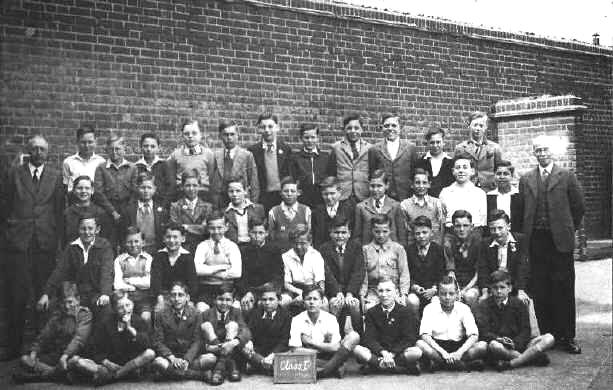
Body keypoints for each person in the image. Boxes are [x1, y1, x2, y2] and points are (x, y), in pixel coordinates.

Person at [519, 135, 584, 354]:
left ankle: (568, 336)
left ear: (552, 151)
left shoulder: (566, 176)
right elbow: (522, 212)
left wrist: (565, 229)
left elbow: (578, 207)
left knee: (563, 288)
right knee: (541, 288)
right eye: (538, 150)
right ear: (534, 153)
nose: (542, 153)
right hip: (536, 240)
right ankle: (548, 335)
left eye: (545, 149)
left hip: (559, 242)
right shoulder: (526, 178)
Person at [0, 135, 64, 359]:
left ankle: (41, 347)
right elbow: (5, 206)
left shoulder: (56, 176)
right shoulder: (14, 174)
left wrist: (56, 241)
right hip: (18, 244)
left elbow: (58, 211)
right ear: (29, 151)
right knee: (16, 296)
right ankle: (13, 348)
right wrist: (10, 233)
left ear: (48, 152)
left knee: (43, 295)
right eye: (34, 149)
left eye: (42, 149)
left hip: (44, 244)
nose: (38, 153)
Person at [13, 283, 92, 384]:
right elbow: (45, 335)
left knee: (76, 362)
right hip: (56, 355)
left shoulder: (84, 314)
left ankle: (37, 377)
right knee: (25, 359)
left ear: (78, 299)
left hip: (73, 355)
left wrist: (65, 356)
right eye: (64, 303)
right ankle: (57, 374)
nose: (67, 306)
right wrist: (34, 352)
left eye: (70, 302)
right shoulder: (59, 314)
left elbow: (79, 339)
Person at [476, 270, 555, 371]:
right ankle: (531, 358)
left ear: (509, 288)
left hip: (518, 344)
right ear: (490, 289)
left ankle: (512, 363)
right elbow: (484, 331)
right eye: (495, 288)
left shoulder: (519, 304)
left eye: (502, 287)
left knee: (549, 338)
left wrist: (515, 343)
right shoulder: (484, 305)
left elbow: (526, 330)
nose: (499, 291)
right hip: (501, 346)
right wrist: (500, 339)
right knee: (494, 346)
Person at [68, 295, 155, 385]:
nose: (125, 310)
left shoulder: (139, 321)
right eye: (121, 307)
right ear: (115, 310)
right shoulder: (106, 322)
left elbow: (147, 344)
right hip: (109, 362)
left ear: (132, 306)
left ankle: (115, 376)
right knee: (78, 362)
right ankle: (116, 374)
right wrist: (106, 362)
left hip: (129, 363)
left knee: (150, 353)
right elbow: (94, 346)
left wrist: (130, 329)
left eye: (128, 305)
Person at [38, 214, 114, 314]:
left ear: (97, 229)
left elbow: (106, 271)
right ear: (78, 229)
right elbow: (59, 271)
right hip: (75, 294)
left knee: (105, 310)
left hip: (97, 293)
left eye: (90, 228)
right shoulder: (71, 247)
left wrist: (105, 293)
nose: (87, 232)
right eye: (83, 229)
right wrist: (46, 294)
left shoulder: (104, 246)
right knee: (49, 307)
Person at [416, 276, 487, 372]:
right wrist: (443, 353)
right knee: (420, 344)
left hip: (459, 346)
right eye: (443, 294)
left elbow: (474, 335)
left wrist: (459, 353)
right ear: (437, 294)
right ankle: (460, 364)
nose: (447, 297)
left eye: (451, 293)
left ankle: (442, 364)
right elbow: (425, 335)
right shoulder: (430, 308)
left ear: (457, 294)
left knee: (482, 346)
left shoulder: (463, 308)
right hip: (438, 348)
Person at [288, 285, 360, 379]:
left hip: (329, 355)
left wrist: (311, 342)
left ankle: (322, 372)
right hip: (309, 357)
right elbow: (295, 349)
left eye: (315, 299)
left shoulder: (330, 318)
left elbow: (335, 347)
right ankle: (335, 366)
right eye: (308, 299)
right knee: (295, 358)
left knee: (354, 336)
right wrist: (322, 349)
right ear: (303, 302)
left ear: (322, 302)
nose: (311, 302)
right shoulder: (297, 320)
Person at [353, 279, 422, 375]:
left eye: (388, 290)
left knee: (417, 352)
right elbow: (369, 339)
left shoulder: (405, 312)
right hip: (379, 353)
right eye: (381, 291)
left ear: (396, 292)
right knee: (357, 350)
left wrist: (392, 354)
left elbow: (409, 338)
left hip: (398, 353)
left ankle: (378, 366)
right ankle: (398, 368)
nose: (384, 295)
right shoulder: (371, 312)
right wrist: (384, 353)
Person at [151, 282, 208, 381]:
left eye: (180, 295)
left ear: (187, 297)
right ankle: (198, 375)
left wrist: (187, 360)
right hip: (170, 356)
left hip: (189, 356)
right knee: (158, 362)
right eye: (173, 295)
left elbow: (197, 341)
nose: (177, 299)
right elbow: (158, 341)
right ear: (169, 297)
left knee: (210, 359)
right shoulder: (160, 314)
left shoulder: (196, 313)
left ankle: (168, 373)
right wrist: (172, 358)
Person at [199, 285, 251, 385]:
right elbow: (199, 337)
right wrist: (214, 347)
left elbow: (245, 330)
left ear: (233, 301)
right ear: (214, 300)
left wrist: (234, 342)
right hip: (213, 348)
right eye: (220, 299)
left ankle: (219, 368)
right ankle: (232, 365)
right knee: (207, 326)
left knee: (232, 325)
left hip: (230, 346)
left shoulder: (236, 312)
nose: (224, 303)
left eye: (228, 300)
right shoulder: (206, 314)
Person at [320, 216, 364, 335]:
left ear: (349, 233)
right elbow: (327, 273)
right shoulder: (324, 249)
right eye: (336, 232)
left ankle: (359, 334)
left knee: (354, 304)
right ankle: (335, 334)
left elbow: (358, 272)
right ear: (330, 233)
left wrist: (350, 293)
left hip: (351, 289)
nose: (340, 236)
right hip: (333, 290)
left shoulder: (356, 247)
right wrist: (337, 292)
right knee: (335, 303)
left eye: (343, 232)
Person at [193, 210, 242, 312]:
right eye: (212, 228)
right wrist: (221, 268)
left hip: (227, 287)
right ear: (207, 228)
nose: (216, 231)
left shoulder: (232, 246)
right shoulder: (203, 246)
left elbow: (237, 272)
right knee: (201, 308)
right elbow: (196, 269)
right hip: (207, 288)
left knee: (236, 308)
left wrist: (208, 272)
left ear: (226, 227)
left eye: (219, 228)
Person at [478, 210, 530, 304]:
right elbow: (483, 269)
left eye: (500, 228)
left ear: (508, 226)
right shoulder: (485, 243)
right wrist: (485, 292)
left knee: (523, 301)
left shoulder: (520, 240)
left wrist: (521, 290)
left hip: (514, 286)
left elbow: (522, 267)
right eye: (493, 229)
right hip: (493, 286)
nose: (497, 232)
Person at [360, 214, 410, 310]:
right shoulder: (365, 250)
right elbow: (364, 276)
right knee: (369, 308)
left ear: (391, 231)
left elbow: (404, 273)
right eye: (377, 232)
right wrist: (362, 295)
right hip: (374, 291)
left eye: (385, 231)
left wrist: (403, 294)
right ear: (371, 231)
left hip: (394, 290)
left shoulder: (398, 249)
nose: (381, 235)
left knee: (399, 309)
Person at [248, 113, 294, 212]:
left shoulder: (286, 149)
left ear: (277, 127)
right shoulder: (253, 151)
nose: (267, 130)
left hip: (282, 197)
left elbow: (290, 175)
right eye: (263, 127)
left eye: (270, 126)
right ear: (259, 129)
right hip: (262, 198)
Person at [241, 284, 291, 375]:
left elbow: (284, 341)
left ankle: (262, 366)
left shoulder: (286, 316)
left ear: (279, 300)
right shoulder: (256, 313)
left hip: (276, 351)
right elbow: (249, 331)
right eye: (264, 300)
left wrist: (272, 355)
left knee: (286, 356)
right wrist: (250, 342)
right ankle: (263, 364)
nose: (267, 303)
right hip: (259, 351)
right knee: (243, 348)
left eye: (271, 299)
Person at [237, 218, 284, 313]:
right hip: (250, 290)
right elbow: (240, 277)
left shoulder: (274, 250)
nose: (257, 236)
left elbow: (279, 275)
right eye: (254, 233)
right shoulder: (243, 251)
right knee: (245, 305)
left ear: (266, 233)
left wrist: (270, 289)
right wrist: (247, 292)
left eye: (260, 233)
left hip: (269, 289)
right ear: (249, 233)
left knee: (265, 304)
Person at [209, 120, 259, 209]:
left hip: (240, 203)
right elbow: (211, 181)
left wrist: (253, 205)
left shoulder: (247, 156)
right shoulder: (215, 156)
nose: (229, 137)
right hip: (220, 203)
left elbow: (254, 183)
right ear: (220, 136)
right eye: (226, 135)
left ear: (237, 135)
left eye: (232, 134)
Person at [369, 113, 418, 201]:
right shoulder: (374, 149)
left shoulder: (411, 148)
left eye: (394, 125)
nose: (390, 128)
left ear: (400, 128)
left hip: (406, 196)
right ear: (382, 128)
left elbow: (414, 173)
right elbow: (372, 173)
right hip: (383, 197)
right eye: (386, 126)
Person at [326, 113, 374, 202]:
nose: (353, 131)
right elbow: (331, 173)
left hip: (364, 196)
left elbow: (372, 173)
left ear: (362, 130)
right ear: (344, 130)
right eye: (349, 128)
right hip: (342, 196)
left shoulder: (369, 148)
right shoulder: (336, 148)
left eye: (356, 128)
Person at [150, 223, 198, 312]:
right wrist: (160, 299)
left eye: (175, 237)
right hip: (164, 296)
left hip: (182, 295)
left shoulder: (187, 257)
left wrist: (188, 299)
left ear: (183, 239)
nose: (172, 241)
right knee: (159, 311)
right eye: (168, 237)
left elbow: (192, 282)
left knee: (190, 312)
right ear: (164, 239)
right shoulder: (159, 256)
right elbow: (155, 281)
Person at [354, 169, 407, 247]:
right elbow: (357, 236)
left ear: (386, 185)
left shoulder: (395, 206)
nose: (375, 190)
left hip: (391, 253)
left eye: (379, 186)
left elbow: (402, 235)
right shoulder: (361, 207)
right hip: (369, 252)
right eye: (372, 186)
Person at [406, 216, 446, 316]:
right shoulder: (409, 250)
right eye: (417, 233)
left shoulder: (438, 250)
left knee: (435, 303)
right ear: (413, 235)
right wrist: (415, 287)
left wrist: (434, 288)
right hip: (416, 290)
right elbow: (407, 273)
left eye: (425, 232)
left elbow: (441, 273)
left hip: (433, 290)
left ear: (431, 233)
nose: (421, 236)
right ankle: (414, 328)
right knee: (412, 301)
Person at [113, 226, 154, 324]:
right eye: (129, 242)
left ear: (143, 243)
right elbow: (118, 284)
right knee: (123, 316)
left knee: (146, 318)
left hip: (143, 298)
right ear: (124, 243)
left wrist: (129, 281)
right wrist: (136, 286)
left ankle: (144, 339)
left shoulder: (148, 259)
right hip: (124, 297)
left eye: (136, 241)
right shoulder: (119, 260)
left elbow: (148, 282)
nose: (133, 245)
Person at [93, 134, 137, 225]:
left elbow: (135, 191)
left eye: (117, 149)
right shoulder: (101, 168)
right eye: (111, 149)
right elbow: (98, 192)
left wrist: (127, 211)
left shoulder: (132, 168)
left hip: (127, 209)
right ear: (107, 150)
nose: (114, 152)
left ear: (124, 149)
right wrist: (113, 212)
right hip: (107, 209)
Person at [121, 171, 169, 254]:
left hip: (156, 250)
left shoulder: (162, 210)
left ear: (154, 189)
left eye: (149, 188)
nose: (146, 191)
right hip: (134, 250)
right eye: (143, 187)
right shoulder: (128, 210)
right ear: (137, 188)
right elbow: (122, 233)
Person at [281, 226, 326, 313]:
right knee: (283, 302)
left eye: (302, 243)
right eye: (295, 243)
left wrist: (312, 295)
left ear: (309, 242)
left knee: (324, 304)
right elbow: (286, 283)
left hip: (313, 289)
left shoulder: (316, 255)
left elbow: (320, 281)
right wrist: (300, 293)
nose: (298, 247)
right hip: (293, 290)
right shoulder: (285, 256)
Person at [439, 153, 487, 234]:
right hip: (451, 234)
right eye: (458, 168)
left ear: (472, 171)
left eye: (465, 167)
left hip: (474, 233)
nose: (461, 171)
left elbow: (482, 220)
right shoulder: (445, 192)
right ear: (453, 171)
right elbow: (442, 219)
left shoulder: (480, 193)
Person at [454, 111, 502, 191]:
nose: (478, 129)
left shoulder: (494, 147)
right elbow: (456, 169)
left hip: (489, 189)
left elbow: (499, 169)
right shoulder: (460, 148)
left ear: (485, 127)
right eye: (475, 125)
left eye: (481, 125)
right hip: (468, 189)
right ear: (469, 126)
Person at [167, 119, 213, 202]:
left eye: (194, 133)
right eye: (186, 134)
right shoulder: (175, 155)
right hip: (181, 194)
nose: (190, 136)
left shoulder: (208, 154)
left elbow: (212, 177)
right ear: (182, 135)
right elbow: (171, 177)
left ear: (201, 135)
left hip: (203, 194)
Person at [443, 210, 481, 308]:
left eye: (465, 226)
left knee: (470, 296)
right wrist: (456, 291)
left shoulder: (478, 243)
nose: (461, 229)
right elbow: (451, 272)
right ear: (453, 227)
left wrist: (464, 291)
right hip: (454, 284)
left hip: (472, 284)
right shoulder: (448, 243)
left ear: (472, 227)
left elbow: (478, 274)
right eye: (458, 226)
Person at [169, 169, 214, 253]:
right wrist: (197, 227)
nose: (191, 189)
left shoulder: (207, 207)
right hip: (183, 248)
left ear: (199, 186)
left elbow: (206, 229)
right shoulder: (175, 206)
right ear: (182, 186)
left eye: (194, 185)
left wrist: (186, 227)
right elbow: (176, 229)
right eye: (187, 185)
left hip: (203, 248)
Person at [63, 175, 113, 247]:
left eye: (87, 188)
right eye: (80, 188)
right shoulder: (67, 213)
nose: (83, 191)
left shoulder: (100, 213)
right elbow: (63, 238)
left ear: (92, 190)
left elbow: (106, 238)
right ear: (74, 190)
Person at [400, 168, 446, 246]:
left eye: (424, 183)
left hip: (433, 245)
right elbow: (405, 230)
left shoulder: (437, 203)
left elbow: (440, 229)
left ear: (429, 184)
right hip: (413, 246)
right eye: (417, 183)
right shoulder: (405, 205)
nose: (421, 186)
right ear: (412, 185)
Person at [267, 176, 312, 252]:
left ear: (298, 193)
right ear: (280, 192)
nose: (289, 194)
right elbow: (271, 236)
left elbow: (309, 234)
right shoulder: (274, 211)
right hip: (280, 253)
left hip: (300, 252)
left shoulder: (306, 210)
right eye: (286, 191)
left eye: (293, 191)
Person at [310, 176, 355, 248]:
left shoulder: (348, 210)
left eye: (332, 193)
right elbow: (316, 237)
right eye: (325, 194)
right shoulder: (317, 212)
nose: (329, 197)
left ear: (339, 193)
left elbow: (352, 235)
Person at [292, 123, 329, 208]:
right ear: (301, 138)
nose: (310, 140)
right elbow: (293, 179)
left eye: (313, 137)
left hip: (321, 200)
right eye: (306, 138)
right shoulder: (295, 158)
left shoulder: (325, 157)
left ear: (317, 138)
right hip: (303, 200)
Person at [62, 125, 106, 193]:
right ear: (77, 142)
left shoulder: (101, 162)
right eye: (83, 142)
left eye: (90, 142)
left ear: (95, 142)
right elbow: (65, 186)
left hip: (96, 200)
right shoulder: (68, 162)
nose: (86, 146)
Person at [223, 177, 266, 245]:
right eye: (231, 191)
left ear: (245, 191)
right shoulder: (224, 212)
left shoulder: (258, 209)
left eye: (238, 191)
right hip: (234, 248)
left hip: (254, 246)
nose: (234, 194)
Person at [135, 132, 172, 207]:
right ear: (141, 147)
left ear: (158, 148)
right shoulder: (135, 167)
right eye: (146, 146)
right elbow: (134, 190)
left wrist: (163, 206)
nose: (149, 149)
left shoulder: (165, 165)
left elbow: (170, 188)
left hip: (162, 206)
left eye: (152, 146)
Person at [486, 160, 523, 233]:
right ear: (494, 176)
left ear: (511, 176)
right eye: (499, 174)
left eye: (506, 174)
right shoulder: (489, 196)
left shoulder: (520, 196)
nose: (502, 177)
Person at [416, 126, 454, 197]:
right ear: (427, 143)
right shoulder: (420, 162)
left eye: (438, 142)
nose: (435, 145)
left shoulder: (451, 163)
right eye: (432, 142)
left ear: (443, 142)